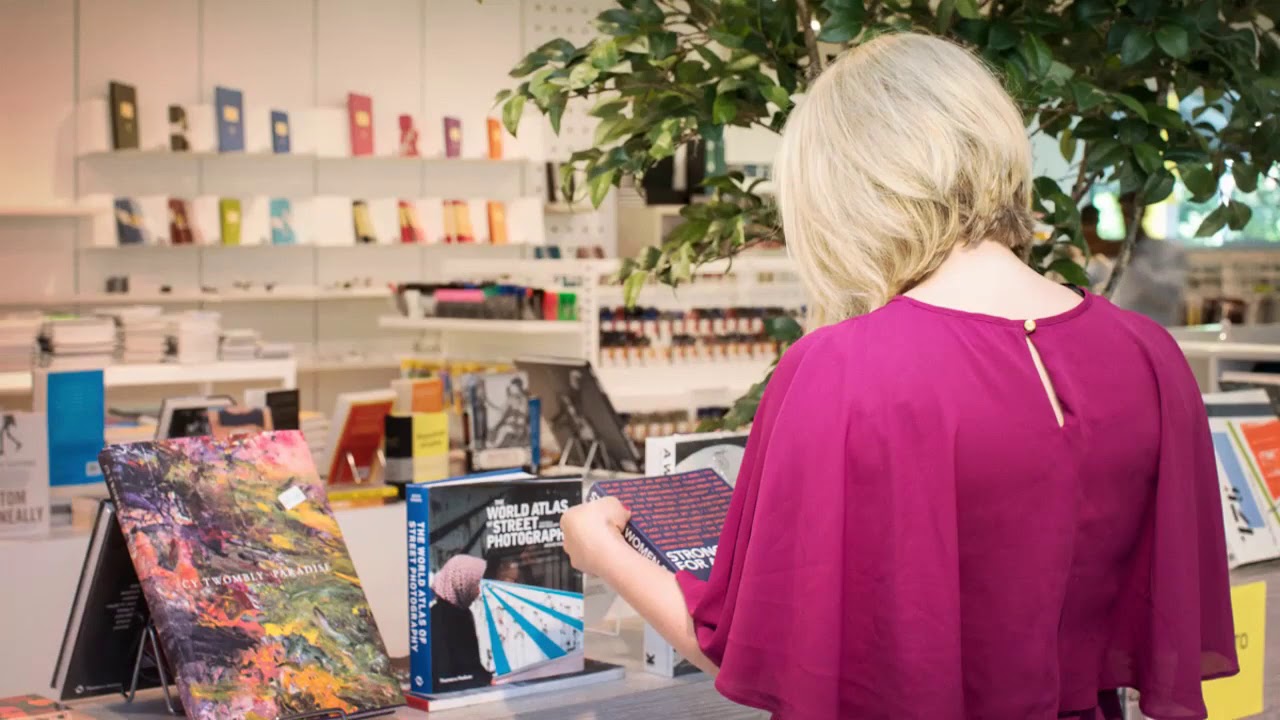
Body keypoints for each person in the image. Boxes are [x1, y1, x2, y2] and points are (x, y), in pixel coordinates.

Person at [561, 33, 1237, 720]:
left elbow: (742, 648)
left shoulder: (844, 370)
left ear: (845, 191)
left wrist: (604, 554)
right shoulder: (1147, 356)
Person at [429, 554, 492, 689]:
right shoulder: (442, 617)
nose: (478, 591)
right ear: (460, 583)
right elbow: (447, 674)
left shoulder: (461, 613)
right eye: (474, 584)